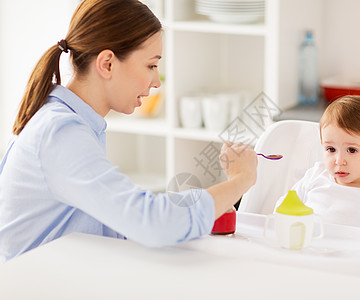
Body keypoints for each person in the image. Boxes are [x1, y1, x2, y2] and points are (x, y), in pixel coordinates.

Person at [0, 0, 257, 263]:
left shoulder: (72, 123)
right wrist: (241, 180)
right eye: (151, 65)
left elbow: (121, 217)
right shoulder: (60, 133)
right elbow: (155, 224)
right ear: (108, 64)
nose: (156, 82)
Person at [275, 95, 360, 230]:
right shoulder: (316, 175)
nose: (339, 161)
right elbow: (284, 207)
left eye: (352, 150)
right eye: (331, 149)